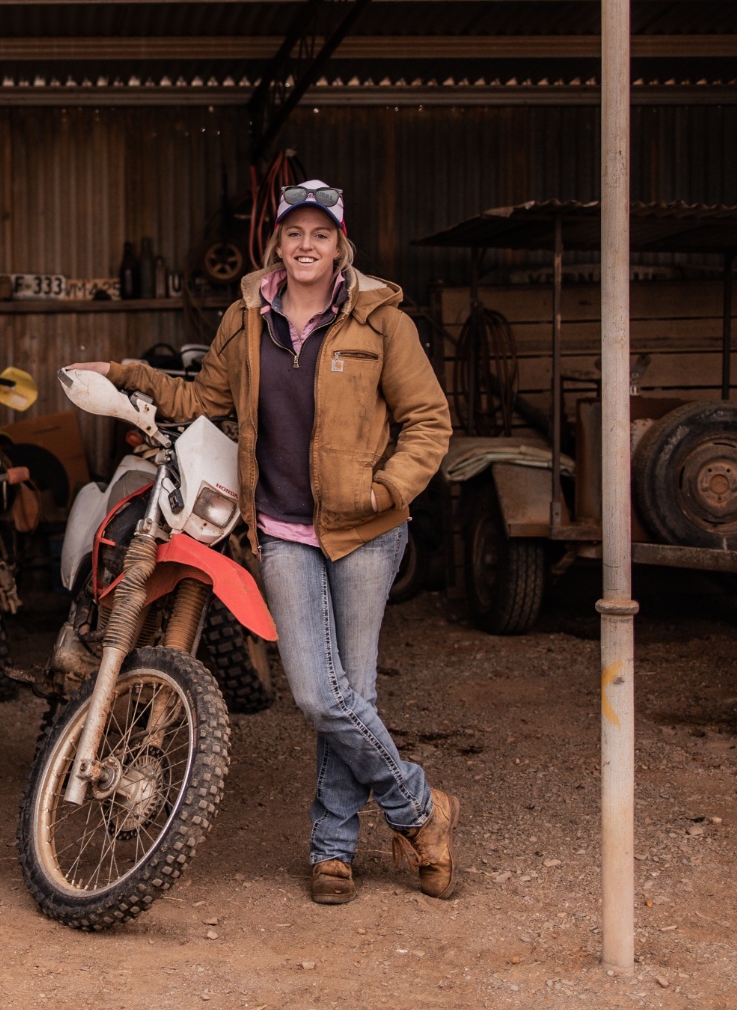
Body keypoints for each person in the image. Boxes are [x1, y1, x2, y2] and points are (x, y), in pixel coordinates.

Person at [71, 178, 456, 905]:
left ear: (341, 243)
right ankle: (421, 808)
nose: (306, 244)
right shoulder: (247, 319)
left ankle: (334, 849)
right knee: (318, 691)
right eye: (293, 232)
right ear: (275, 241)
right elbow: (200, 400)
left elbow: (429, 420)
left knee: (352, 689)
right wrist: (123, 374)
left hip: (369, 533)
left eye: (320, 233)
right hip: (282, 530)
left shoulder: (380, 321)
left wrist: (386, 488)